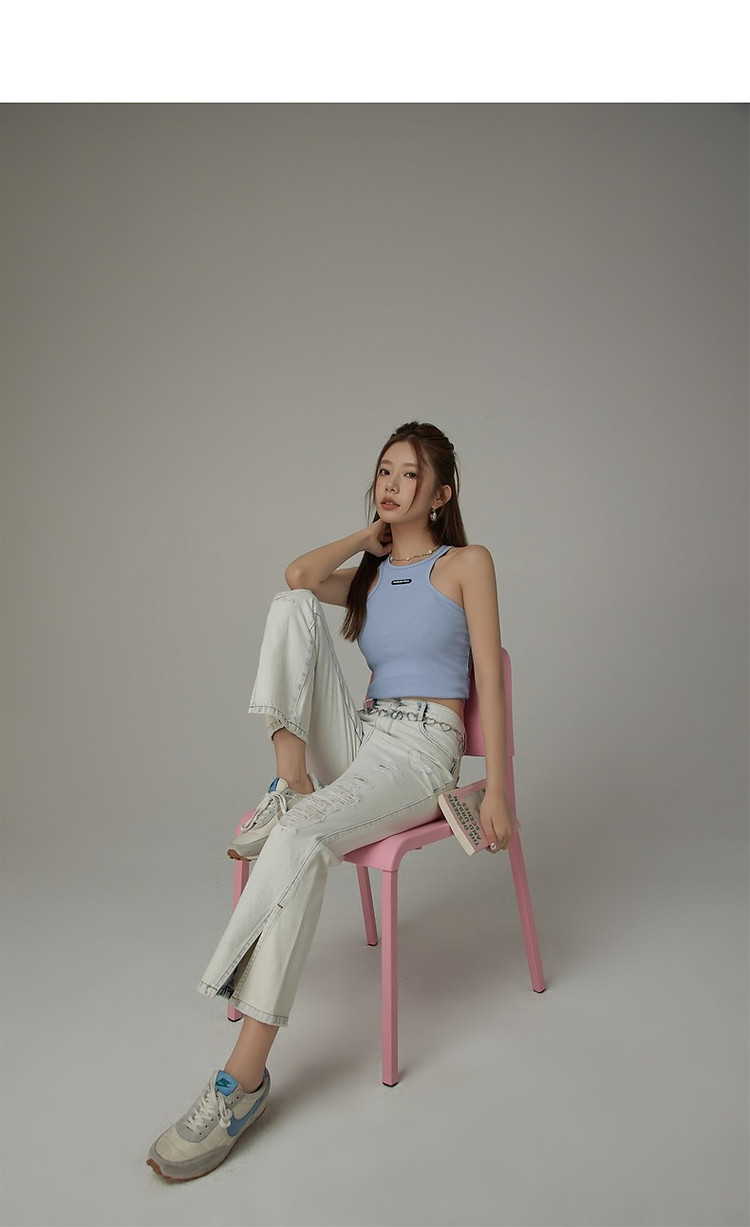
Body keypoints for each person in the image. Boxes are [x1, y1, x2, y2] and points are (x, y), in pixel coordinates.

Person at [147, 421, 515, 1182]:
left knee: (301, 839)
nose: (391, 483)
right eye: (384, 470)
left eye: (409, 474)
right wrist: (367, 537)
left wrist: (501, 789)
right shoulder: (372, 577)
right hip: (364, 736)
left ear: (441, 494)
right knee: (289, 604)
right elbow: (299, 574)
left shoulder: (467, 564)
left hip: (420, 749)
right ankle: (291, 781)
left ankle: (242, 1079)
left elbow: (490, 676)